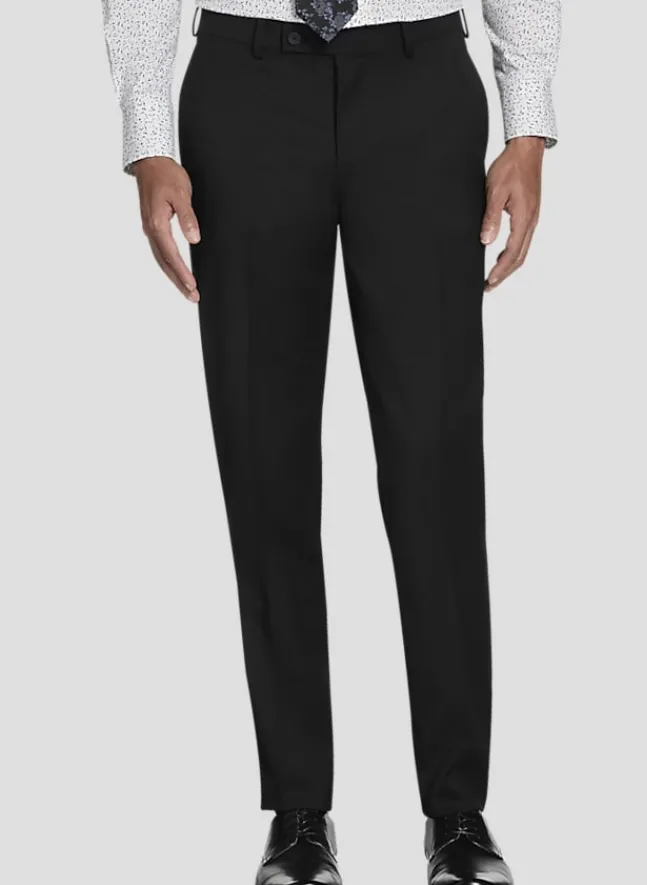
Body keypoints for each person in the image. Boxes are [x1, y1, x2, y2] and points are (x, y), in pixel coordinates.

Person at [101, 0, 560, 882]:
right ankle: (299, 813)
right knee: (263, 453)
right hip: (244, 85)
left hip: (420, 86)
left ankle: (457, 812)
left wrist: (528, 120)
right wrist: (149, 131)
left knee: (434, 462)